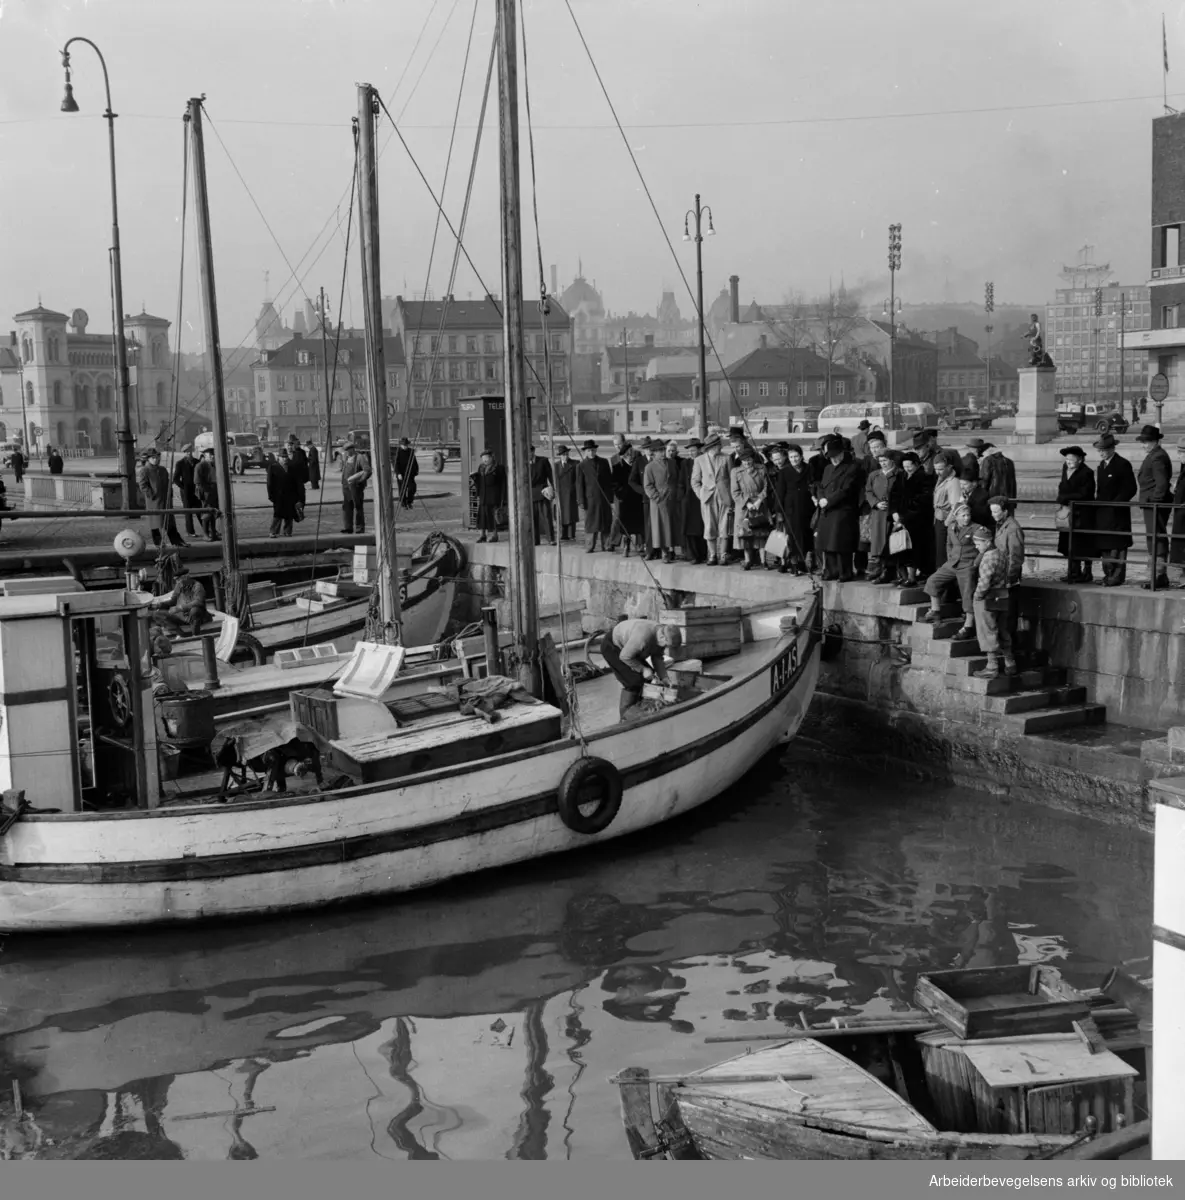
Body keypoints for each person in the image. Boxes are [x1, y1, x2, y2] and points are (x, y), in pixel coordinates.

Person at [600, 617, 683, 720]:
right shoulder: (643, 637)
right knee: (633, 681)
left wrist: (664, 677)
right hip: (613, 647)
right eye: (667, 645)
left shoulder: (662, 634)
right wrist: (642, 669)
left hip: (629, 649)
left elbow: (657, 657)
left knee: (649, 674)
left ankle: (640, 706)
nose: (666, 648)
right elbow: (625, 656)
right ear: (662, 637)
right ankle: (626, 716)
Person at [919, 506, 980, 637]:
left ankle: (968, 626)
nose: (966, 518)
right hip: (953, 563)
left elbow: (985, 548)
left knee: (967, 593)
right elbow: (949, 545)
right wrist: (950, 558)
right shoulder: (951, 527)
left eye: (968, 515)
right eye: (963, 515)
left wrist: (975, 564)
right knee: (933, 580)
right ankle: (935, 610)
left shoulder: (977, 529)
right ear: (956, 516)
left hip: (967, 565)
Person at [970, 523, 1017, 679]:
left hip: (988, 599)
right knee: (1003, 629)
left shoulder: (988, 558)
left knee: (987, 631)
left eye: (978, 543)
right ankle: (1010, 663)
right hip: (1003, 596)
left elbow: (984, 582)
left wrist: (976, 597)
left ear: (987, 542)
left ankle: (992, 666)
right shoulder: (1001, 553)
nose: (976, 547)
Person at [1092, 432, 1137, 587]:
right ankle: (1108, 574)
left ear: (1112, 449)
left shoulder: (1122, 464)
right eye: (1099, 450)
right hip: (1103, 513)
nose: (1101, 453)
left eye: (1103, 450)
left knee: (1118, 546)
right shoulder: (1101, 466)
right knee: (1105, 545)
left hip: (1117, 514)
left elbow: (1130, 488)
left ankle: (1117, 576)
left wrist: (1116, 504)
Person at [815, 434, 862, 581]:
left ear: (842, 453)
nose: (834, 459)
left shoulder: (852, 467)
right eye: (831, 456)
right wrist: (821, 498)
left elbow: (847, 490)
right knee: (827, 543)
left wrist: (829, 501)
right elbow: (821, 486)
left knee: (841, 544)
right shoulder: (828, 468)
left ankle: (844, 572)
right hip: (827, 509)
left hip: (842, 509)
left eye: (836, 455)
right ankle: (831, 570)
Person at [1135, 424, 1173, 589]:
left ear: (1155, 441)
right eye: (1142, 442)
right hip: (1152, 504)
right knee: (1154, 538)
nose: (1143, 445)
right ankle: (1157, 574)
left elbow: (1162, 484)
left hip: (1155, 505)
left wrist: (1153, 500)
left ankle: (1158, 574)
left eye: (1146, 442)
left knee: (1156, 538)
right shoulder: (1155, 454)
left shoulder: (1157, 457)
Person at [691, 434, 735, 566]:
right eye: (717, 445)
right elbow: (695, 481)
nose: (720, 447)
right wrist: (701, 495)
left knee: (724, 527)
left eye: (719, 445)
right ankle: (712, 555)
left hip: (724, 497)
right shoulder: (699, 460)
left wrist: (731, 495)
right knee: (709, 527)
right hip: (707, 498)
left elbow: (732, 479)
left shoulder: (726, 458)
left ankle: (723, 555)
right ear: (711, 447)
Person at [989, 495, 1025, 654]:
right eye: (992, 512)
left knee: (1008, 619)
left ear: (1005, 511)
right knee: (1004, 618)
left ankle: (1011, 656)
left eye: (996, 511)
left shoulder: (1012, 529)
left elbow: (1016, 557)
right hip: (1001, 577)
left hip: (1008, 580)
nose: (993, 515)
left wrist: (1009, 579)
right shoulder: (1001, 525)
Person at [1056, 445, 1095, 583]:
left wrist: (1067, 497)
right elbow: (1062, 485)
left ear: (1080, 459)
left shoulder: (1087, 472)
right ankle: (1073, 572)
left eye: (1071, 459)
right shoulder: (1065, 469)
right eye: (1067, 459)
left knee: (1081, 544)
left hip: (1081, 514)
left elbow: (1086, 493)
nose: (1068, 462)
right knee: (1068, 544)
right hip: (1067, 513)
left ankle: (1086, 572)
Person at [894, 450, 934, 587]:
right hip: (899, 518)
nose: (907, 469)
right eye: (904, 467)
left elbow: (923, 501)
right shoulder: (901, 476)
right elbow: (893, 495)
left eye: (909, 466)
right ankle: (903, 576)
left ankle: (912, 577)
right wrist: (894, 513)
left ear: (916, 464)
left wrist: (905, 516)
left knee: (913, 550)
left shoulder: (925, 478)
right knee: (898, 549)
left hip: (916, 521)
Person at [865, 448, 902, 584]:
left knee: (892, 542)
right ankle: (879, 569)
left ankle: (891, 571)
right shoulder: (874, 475)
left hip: (892, 514)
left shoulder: (899, 474)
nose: (883, 463)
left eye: (885, 460)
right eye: (880, 461)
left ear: (892, 461)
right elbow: (868, 491)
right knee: (878, 542)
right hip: (878, 514)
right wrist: (875, 503)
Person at [643, 439, 685, 563]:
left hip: (672, 500)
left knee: (672, 526)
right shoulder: (649, 467)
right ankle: (664, 552)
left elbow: (677, 480)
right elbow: (648, 486)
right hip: (659, 502)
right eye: (659, 451)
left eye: (662, 450)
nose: (662, 453)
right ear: (654, 453)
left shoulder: (672, 463)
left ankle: (673, 549)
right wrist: (657, 497)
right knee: (660, 528)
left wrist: (678, 494)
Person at [730, 445, 769, 571]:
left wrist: (759, 500)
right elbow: (735, 492)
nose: (747, 462)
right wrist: (747, 503)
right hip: (744, 506)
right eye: (744, 459)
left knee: (761, 533)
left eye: (749, 459)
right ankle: (748, 560)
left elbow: (766, 487)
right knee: (745, 534)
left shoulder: (762, 469)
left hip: (759, 504)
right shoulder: (735, 472)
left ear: (753, 458)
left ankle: (764, 561)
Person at [136, 448, 182, 548]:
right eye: (153, 458)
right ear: (148, 459)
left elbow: (168, 483)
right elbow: (143, 486)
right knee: (155, 523)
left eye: (157, 457)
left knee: (169, 521)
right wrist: (152, 494)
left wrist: (170, 494)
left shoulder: (163, 470)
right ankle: (158, 542)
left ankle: (176, 541)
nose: (156, 459)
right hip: (154, 502)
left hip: (165, 500)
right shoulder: (145, 470)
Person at [148, 564, 211, 638]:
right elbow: (172, 601)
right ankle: (180, 634)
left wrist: (180, 608)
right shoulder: (179, 585)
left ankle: (196, 635)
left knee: (195, 610)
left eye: (178, 579)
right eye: (176, 580)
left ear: (186, 577)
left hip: (196, 617)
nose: (177, 581)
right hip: (181, 617)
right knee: (156, 614)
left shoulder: (197, 586)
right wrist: (158, 605)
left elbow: (199, 602)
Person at [930, 452, 963, 580]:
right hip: (938, 518)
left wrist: (947, 522)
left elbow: (956, 505)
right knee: (939, 553)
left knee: (943, 554)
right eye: (936, 469)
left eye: (941, 469)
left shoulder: (953, 482)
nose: (938, 472)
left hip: (945, 521)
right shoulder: (941, 479)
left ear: (949, 467)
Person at [576, 439, 613, 552]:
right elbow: (579, 485)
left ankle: (606, 545)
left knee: (606, 522)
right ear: (585, 452)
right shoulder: (581, 465)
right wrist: (581, 501)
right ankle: (590, 546)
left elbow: (609, 481)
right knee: (591, 524)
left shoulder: (604, 462)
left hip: (604, 498)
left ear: (596, 450)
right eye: (589, 451)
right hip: (590, 499)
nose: (591, 452)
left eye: (593, 450)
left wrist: (610, 497)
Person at [610, 441, 645, 557]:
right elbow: (614, 484)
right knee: (626, 526)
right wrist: (621, 495)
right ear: (624, 455)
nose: (630, 456)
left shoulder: (638, 465)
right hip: (625, 500)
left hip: (638, 498)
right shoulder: (618, 467)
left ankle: (641, 545)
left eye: (632, 453)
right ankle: (627, 546)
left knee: (640, 523)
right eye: (628, 454)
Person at [680, 437, 708, 564]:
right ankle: (692, 555)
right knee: (689, 528)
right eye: (689, 450)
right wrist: (682, 497)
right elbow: (681, 482)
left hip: (701, 498)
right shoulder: (685, 464)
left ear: (699, 449)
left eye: (693, 450)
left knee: (702, 528)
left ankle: (703, 554)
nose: (690, 453)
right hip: (688, 499)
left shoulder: (705, 461)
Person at [471, 448, 506, 543]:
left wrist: (503, 498)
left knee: (493, 517)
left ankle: (494, 535)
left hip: (494, 496)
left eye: (486, 458)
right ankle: (482, 535)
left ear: (492, 457)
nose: (485, 460)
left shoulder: (498, 468)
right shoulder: (481, 467)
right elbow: (479, 481)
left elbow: (503, 483)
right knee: (482, 516)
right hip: (483, 495)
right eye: (483, 458)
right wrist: (475, 478)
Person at [267, 448, 301, 537]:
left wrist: (297, 497)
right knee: (278, 514)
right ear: (279, 458)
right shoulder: (273, 467)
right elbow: (270, 483)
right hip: (278, 495)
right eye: (283, 457)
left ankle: (288, 531)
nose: (285, 459)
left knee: (289, 514)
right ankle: (273, 531)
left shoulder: (291, 468)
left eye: (286, 457)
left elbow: (296, 483)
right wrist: (271, 495)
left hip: (290, 495)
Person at [339, 440, 371, 534]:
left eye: (348, 450)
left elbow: (367, 470)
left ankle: (359, 528)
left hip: (356, 486)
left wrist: (360, 480)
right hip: (345, 485)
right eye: (345, 450)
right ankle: (348, 527)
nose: (347, 452)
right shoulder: (346, 458)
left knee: (358, 507)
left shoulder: (360, 457)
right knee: (346, 507)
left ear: (352, 449)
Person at [529, 444, 555, 546]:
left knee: (547, 516)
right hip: (531, 494)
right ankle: (535, 540)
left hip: (544, 492)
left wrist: (554, 489)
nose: (528, 454)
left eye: (530, 452)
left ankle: (551, 539)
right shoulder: (524, 464)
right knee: (533, 518)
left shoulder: (543, 461)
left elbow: (550, 475)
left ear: (533, 451)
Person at [172, 444, 200, 536]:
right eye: (186, 451)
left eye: (189, 451)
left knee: (200, 510)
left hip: (196, 490)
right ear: (184, 453)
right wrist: (183, 487)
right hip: (186, 492)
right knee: (188, 512)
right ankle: (190, 531)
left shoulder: (197, 462)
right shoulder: (180, 464)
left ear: (192, 451)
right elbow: (175, 479)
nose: (188, 453)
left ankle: (206, 530)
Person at [553, 444, 579, 541]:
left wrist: (574, 489)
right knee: (561, 513)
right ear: (560, 455)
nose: (565, 456)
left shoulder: (575, 464)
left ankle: (571, 534)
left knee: (571, 513)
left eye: (567, 454)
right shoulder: (556, 465)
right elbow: (554, 479)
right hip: (560, 493)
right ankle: (563, 534)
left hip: (571, 493)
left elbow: (578, 479)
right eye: (563, 454)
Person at [1169, 436, 1185, 587]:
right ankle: (1183, 579)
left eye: (1181, 453)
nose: (1178, 456)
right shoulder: (1183, 468)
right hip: (1181, 515)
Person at [194, 446, 220, 541]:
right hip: (205, 491)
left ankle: (213, 533)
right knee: (206, 512)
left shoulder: (214, 465)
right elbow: (197, 481)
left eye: (213, 455)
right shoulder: (200, 466)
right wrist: (206, 490)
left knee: (213, 512)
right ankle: (205, 534)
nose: (212, 457)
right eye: (210, 455)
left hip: (214, 490)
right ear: (205, 456)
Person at [394, 437, 418, 510]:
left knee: (412, 488)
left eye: (406, 445)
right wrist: (398, 473)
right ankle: (403, 503)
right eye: (404, 445)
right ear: (401, 445)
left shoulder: (411, 452)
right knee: (402, 490)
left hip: (410, 474)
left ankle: (409, 501)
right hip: (401, 474)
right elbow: (395, 464)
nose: (405, 446)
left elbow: (414, 462)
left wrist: (415, 471)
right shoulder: (398, 452)